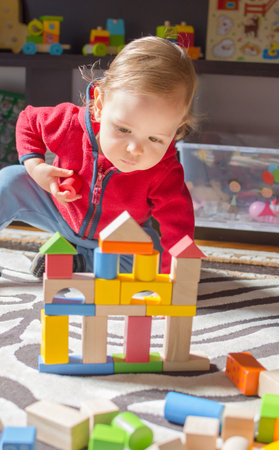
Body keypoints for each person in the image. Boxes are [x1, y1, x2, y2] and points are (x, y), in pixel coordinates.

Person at [0, 36, 197, 276]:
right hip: (59, 211)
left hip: (117, 236)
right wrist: (35, 167)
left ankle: (79, 261)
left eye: (155, 139)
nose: (135, 149)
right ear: (101, 104)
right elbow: (28, 121)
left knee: (153, 262)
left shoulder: (165, 170)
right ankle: (75, 250)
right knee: (9, 179)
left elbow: (178, 224)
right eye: (123, 129)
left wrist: (173, 276)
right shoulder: (70, 123)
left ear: (176, 129)